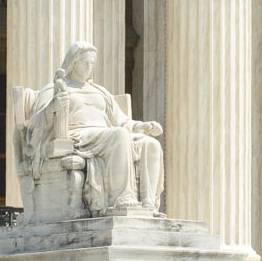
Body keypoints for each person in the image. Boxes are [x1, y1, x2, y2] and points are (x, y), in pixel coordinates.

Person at [22, 40, 164, 216]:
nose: (89, 67)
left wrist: (142, 126)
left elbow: (121, 121)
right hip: (77, 137)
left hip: (106, 135)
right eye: (85, 63)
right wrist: (53, 106)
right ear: (73, 63)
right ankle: (122, 199)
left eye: (92, 64)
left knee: (151, 145)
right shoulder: (54, 88)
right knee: (119, 136)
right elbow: (35, 125)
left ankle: (148, 203)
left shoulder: (100, 91)